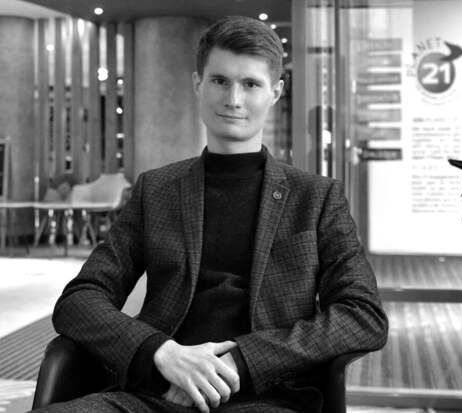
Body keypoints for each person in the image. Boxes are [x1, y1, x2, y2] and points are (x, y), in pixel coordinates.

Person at [31, 15, 387, 413]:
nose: (233, 99)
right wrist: (159, 353)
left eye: (250, 84)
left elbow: (363, 315)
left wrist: (241, 362)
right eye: (219, 80)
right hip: (156, 391)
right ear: (198, 84)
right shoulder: (156, 191)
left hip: (266, 397)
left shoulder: (316, 198)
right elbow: (79, 299)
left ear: (275, 92)